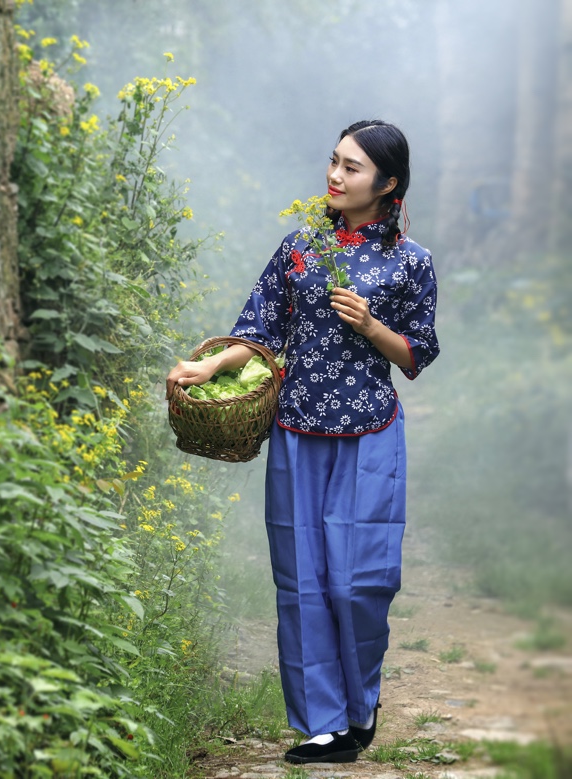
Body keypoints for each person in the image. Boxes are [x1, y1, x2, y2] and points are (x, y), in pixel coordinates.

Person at [166, 120, 439, 765]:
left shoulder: (411, 261)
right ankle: (322, 724)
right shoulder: (300, 247)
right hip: (297, 434)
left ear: (388, 184)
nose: (335, 176)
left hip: (369, 432)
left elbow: (415, 355)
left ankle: (360, 702)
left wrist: (371, 325)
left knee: (358, 581)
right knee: (303, 580)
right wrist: (205, 368)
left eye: (353, 168)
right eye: (334, 162)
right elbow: (259, 333)